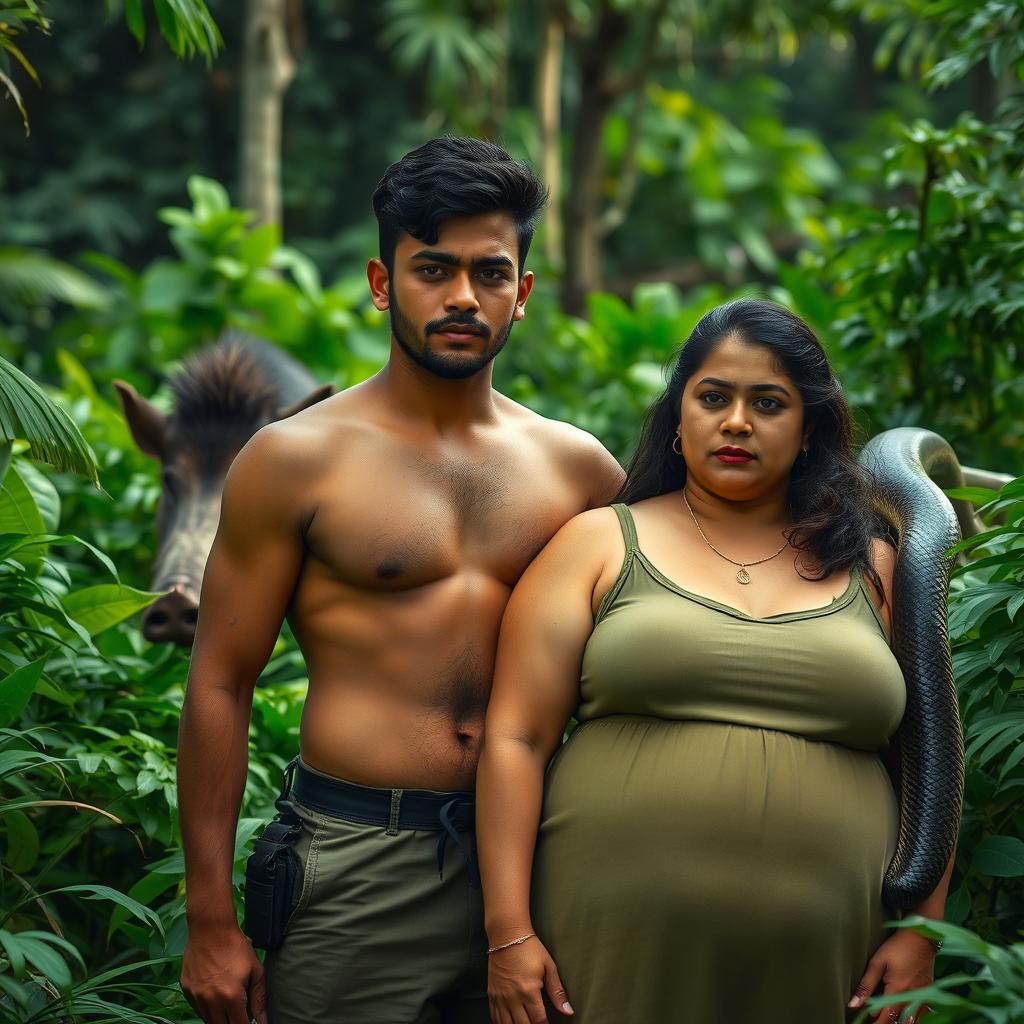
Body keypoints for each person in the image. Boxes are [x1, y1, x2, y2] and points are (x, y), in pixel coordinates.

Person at [176, 136, 625, 1024]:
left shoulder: (578, 471)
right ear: (384, 284)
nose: (463, 297)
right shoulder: (296, 461)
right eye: (434, 270)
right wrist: (209, 917)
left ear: (522, 294)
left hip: (541, 859)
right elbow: (221, 682)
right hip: (357, 860)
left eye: (491, 272)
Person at [476, 298, 955, 1024]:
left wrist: (921, 930)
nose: (737, 421)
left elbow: (932, 758)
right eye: (713, 397)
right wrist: (506, 932)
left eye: (768, 402)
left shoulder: (878, 567)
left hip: (828, 960)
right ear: (678, 420)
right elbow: (516, 739)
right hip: (605, 950)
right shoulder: (598, 543)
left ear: (808, 430)